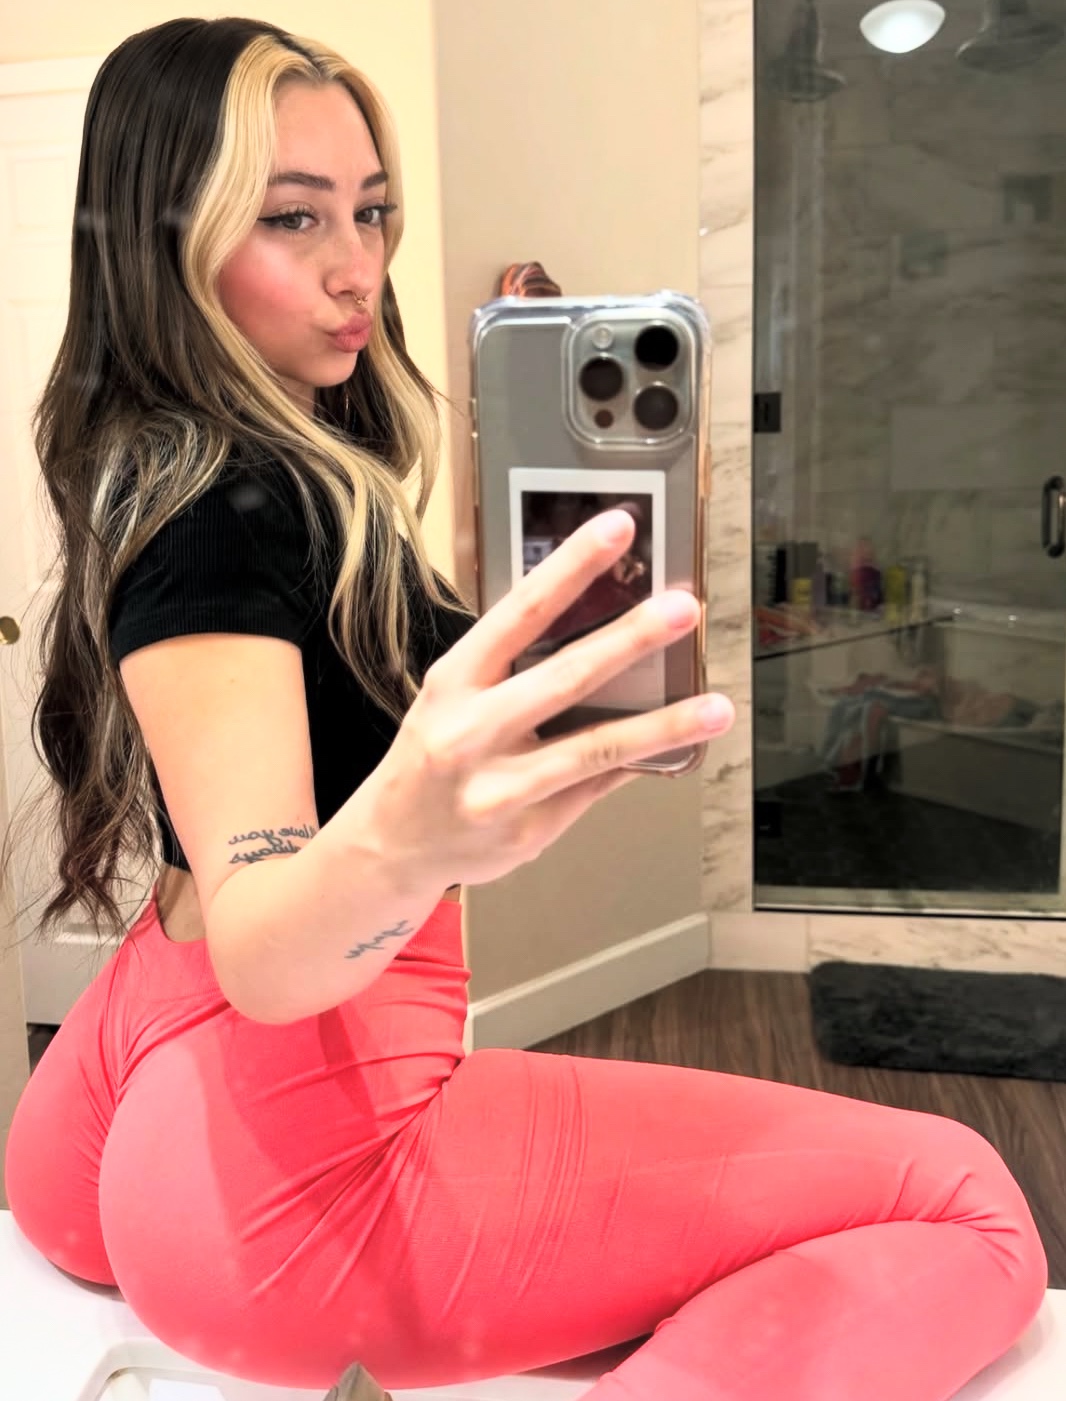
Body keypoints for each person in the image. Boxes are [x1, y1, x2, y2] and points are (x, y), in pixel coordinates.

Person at [0, 17, 1048, 1401]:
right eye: (291, 216)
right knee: (970, 1206)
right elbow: (264, 949)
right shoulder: (226, 512)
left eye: (372, 210)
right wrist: (406, 846)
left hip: (128, 1080)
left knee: (58, 1231)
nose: (357, 266)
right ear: (161, 241)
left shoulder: (206, 467)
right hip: (289, 1197)